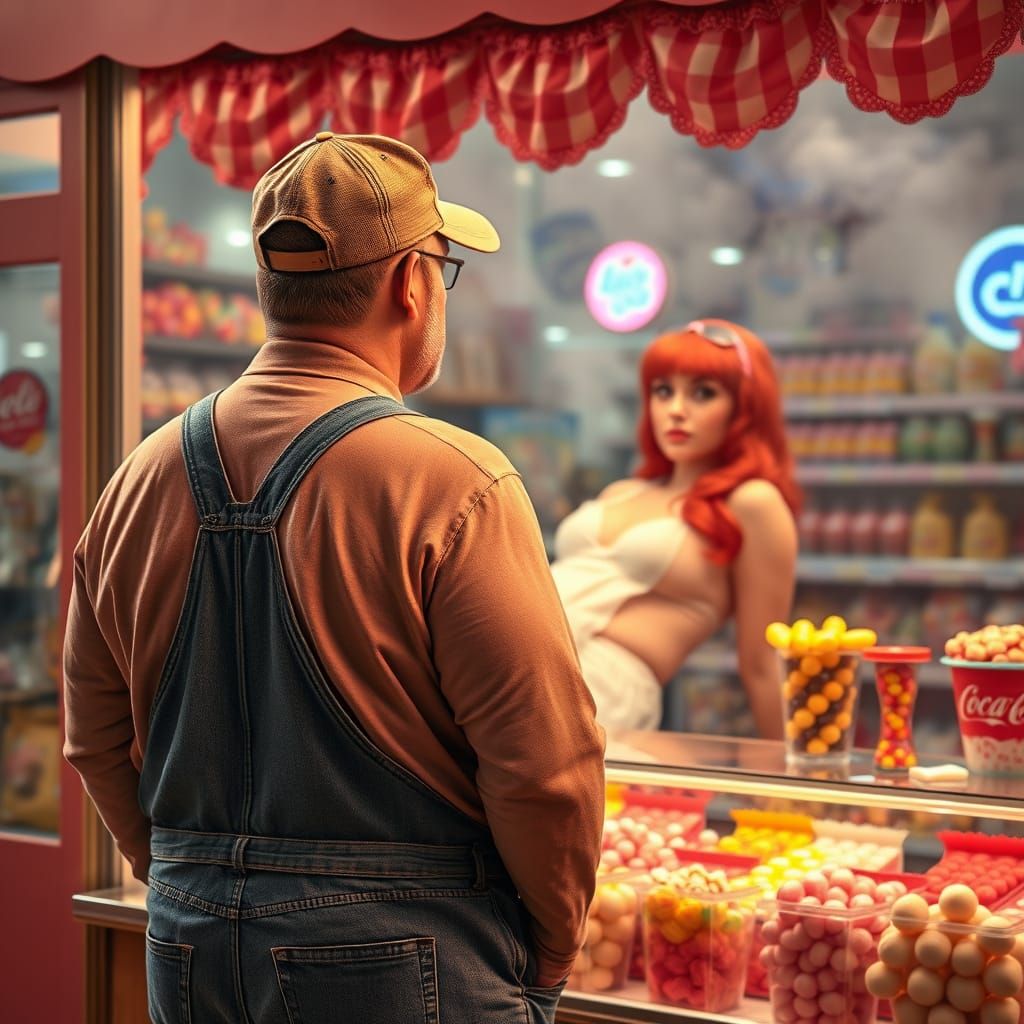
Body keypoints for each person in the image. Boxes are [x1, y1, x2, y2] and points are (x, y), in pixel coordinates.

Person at [63, 132, 605, 1024]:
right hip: (409, 954)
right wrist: (548, 949)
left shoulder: (135, 481)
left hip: (187, 949)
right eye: (445, 269)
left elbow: (93, 738)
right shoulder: (453, 481)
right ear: (412, 284)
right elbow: (543, 769)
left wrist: (190, 876)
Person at [550, 319, 801, 738]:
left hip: (598, 688)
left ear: (744, 406)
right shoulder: (623, 491)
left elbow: (762, 664)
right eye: (663, 391)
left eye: (703, 393)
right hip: (515, 654)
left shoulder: (752, 502)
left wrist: (791, 772)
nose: (676, 409)